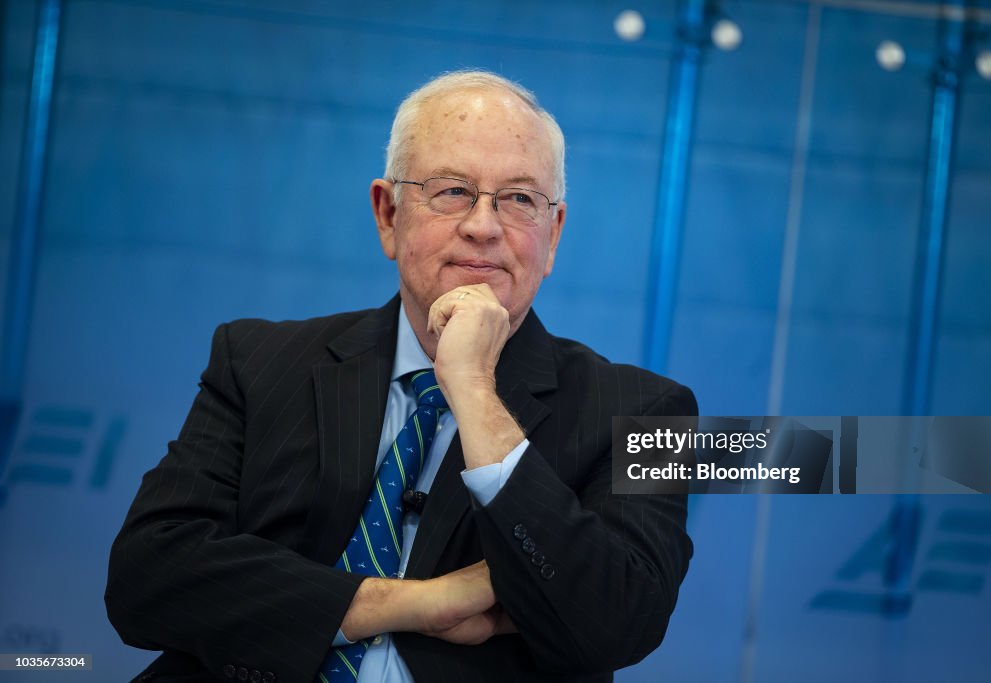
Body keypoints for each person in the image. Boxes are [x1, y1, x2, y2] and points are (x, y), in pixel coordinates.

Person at [105, 70, 697, 683]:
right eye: (452, 191)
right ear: (388, 214)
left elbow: (618, 623)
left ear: (553, 237)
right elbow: (145, 577)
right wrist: (412, 604)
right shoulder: (257, 360)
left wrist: (472, 389)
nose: (484, 226)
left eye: (520, 199)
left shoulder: (649, 411)